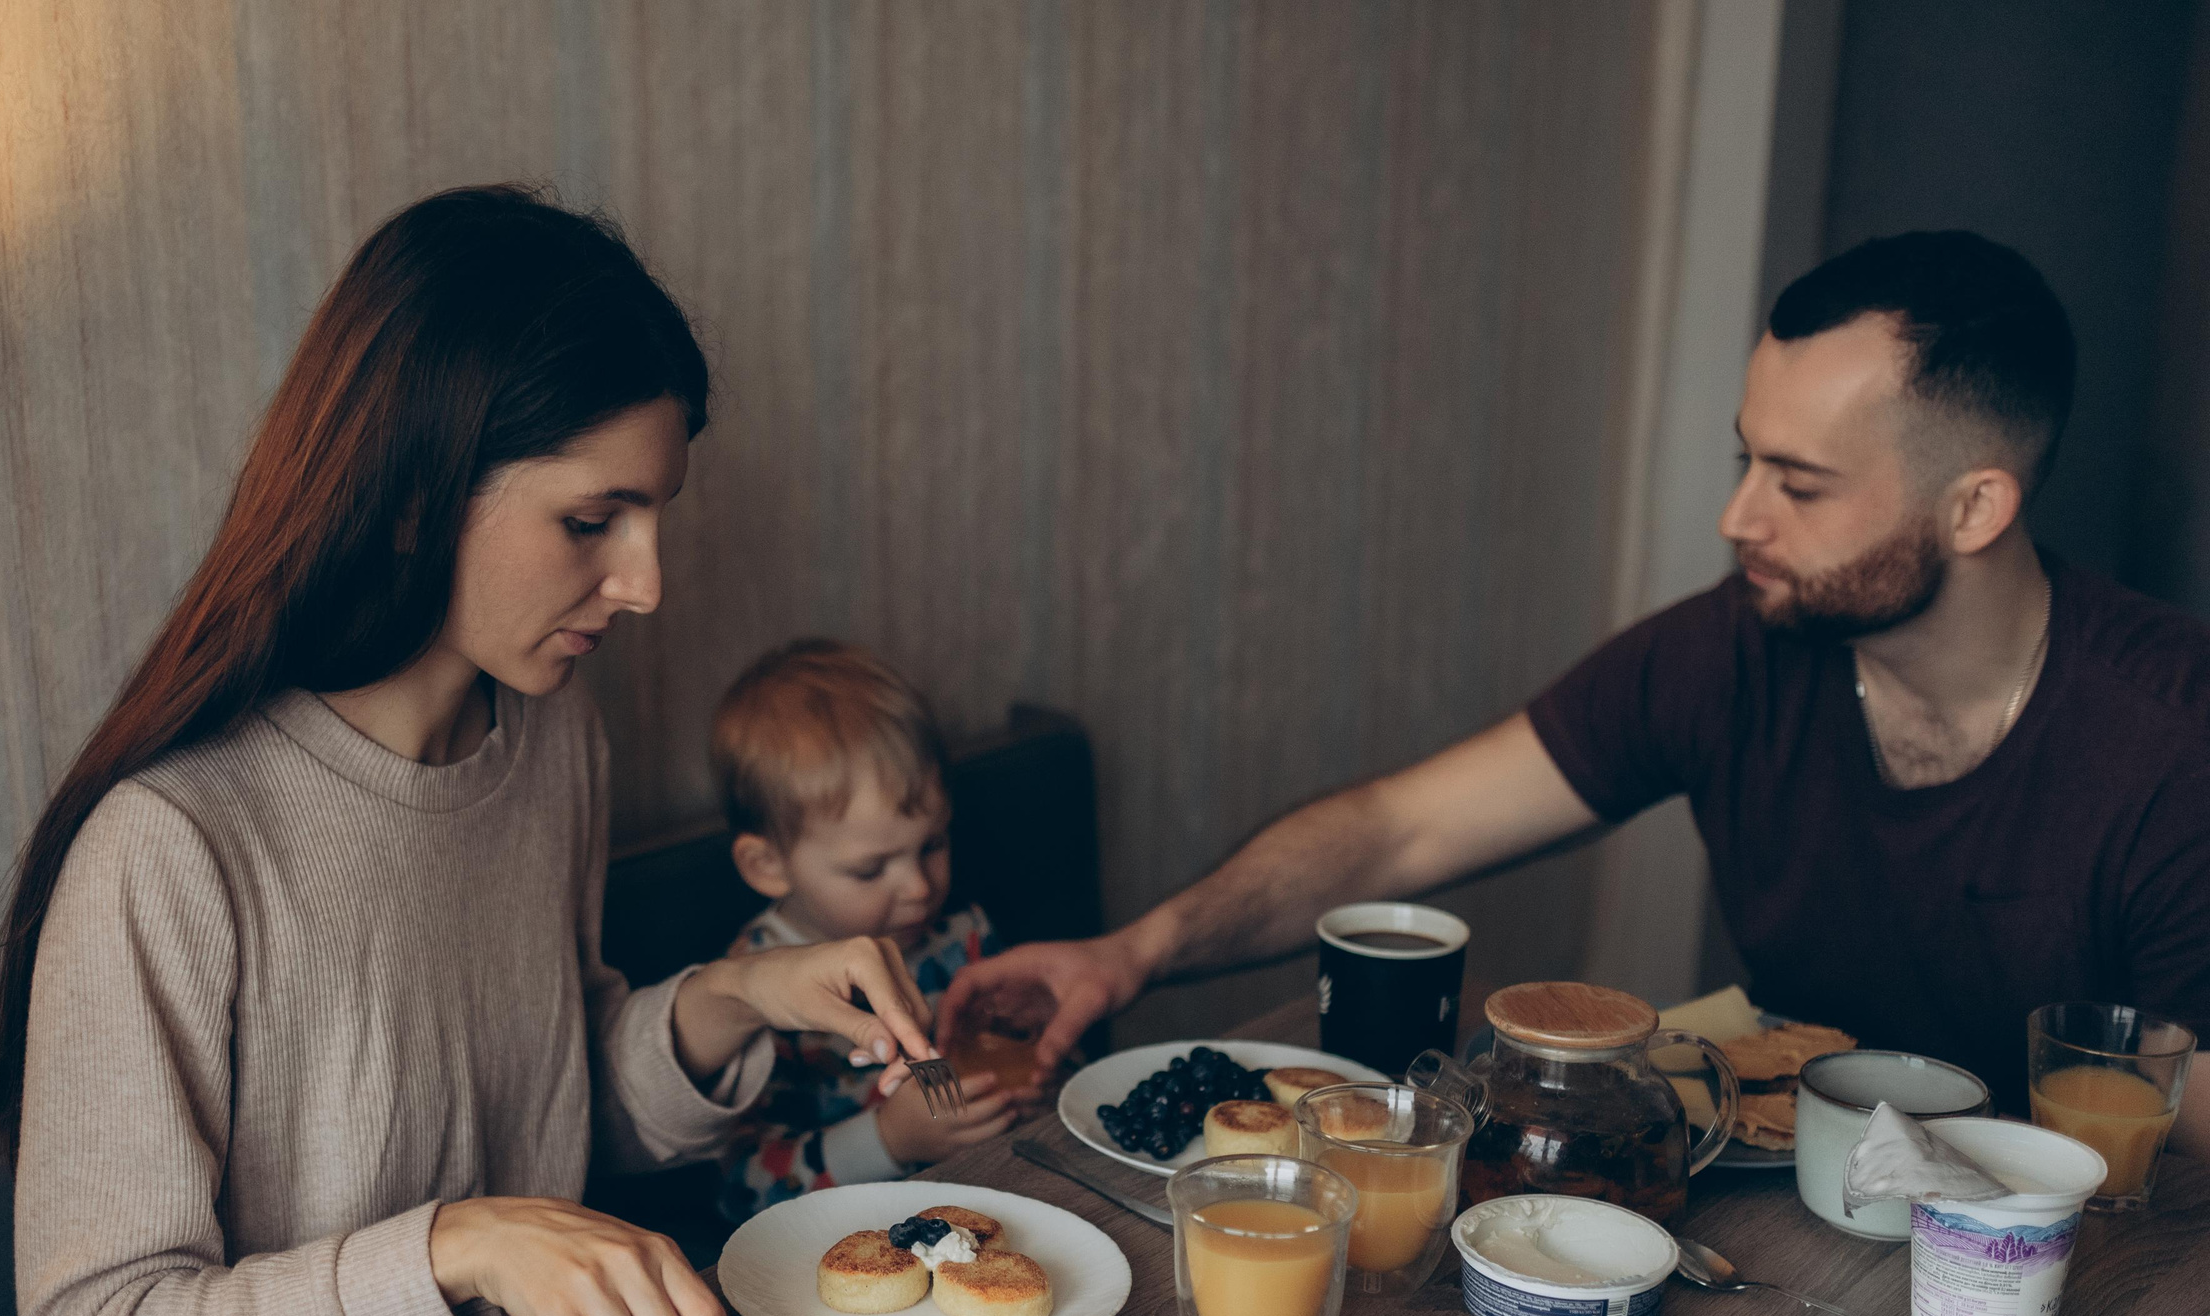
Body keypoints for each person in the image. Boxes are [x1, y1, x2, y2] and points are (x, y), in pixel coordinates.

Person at [0, 186, 945, 1316]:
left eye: (655, 516)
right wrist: (458, 1246)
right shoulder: (176, 848)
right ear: (420, 483)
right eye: (590, 520)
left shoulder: (548, 742)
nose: (647, 584)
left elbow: (546, 1088)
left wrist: (739, 996)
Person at [943, 230, 2210, 1142]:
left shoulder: (2168, 742)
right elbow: (1404, 825)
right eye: (1742, 459)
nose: (1736, 516)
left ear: (1976, 504)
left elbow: (2183, 1144)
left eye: (1799, 483)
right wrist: (1133, 950)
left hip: (2052, 1293)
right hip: (1796, 1229)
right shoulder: (1736, 647)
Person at [705, 640, 1035, 1223]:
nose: (918, 888)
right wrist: (888, 1140)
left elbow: (1046, 1058)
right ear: (768, 866)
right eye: (870, 869)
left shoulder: (965, 934)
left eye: (932, 845)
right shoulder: (749, 990)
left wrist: (1040, 1080)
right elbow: (743, 1190)